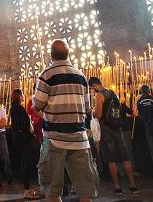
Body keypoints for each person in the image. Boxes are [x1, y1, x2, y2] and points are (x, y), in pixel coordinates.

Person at [32, 39, 98, 202]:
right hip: (79, 139)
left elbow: (37, 105)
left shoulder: (46, 74)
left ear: (51, 55)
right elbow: (86, 107)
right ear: (69, 53)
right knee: (85, 190)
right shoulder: (81, 76)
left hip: (55, 139)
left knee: (52, 190)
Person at [89, 77, 137, 195]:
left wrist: (93, 112)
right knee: (125, 157)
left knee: (111, 159)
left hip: (107, 129)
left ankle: (117, 186)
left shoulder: (99, 95)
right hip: (118, 128)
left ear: (95, 85)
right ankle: (132, 185)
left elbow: (99, 114)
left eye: (91, 88)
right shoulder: (113, 92)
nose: (92, 91)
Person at [10, 88, 40, 199]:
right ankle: (27, 191)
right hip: (23, 140)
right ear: (18, 96)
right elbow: (22, 126)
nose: (23, 96)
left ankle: (27, 189)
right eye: (22, 94)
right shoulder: (18, 109)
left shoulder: (15, 108)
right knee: (26, 164)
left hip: (21, 140)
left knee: (25, 163)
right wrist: (31, 135)